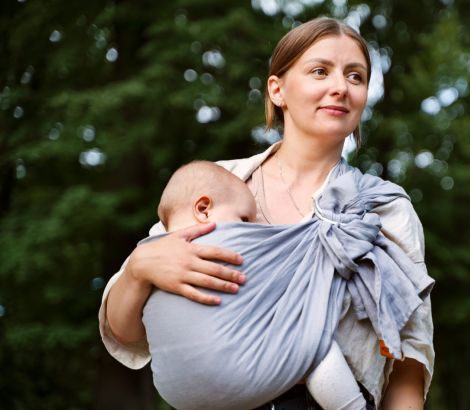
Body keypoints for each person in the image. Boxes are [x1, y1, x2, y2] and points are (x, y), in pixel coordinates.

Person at [99, 17, 434, 409]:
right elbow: (126, 331)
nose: (340, 87)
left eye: (355, 77)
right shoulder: (216, 187)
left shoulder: (384, 210)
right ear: (278, 90)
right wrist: (139, 268)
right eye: (319, 71)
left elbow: (409, 359)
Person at [148, 159, 369, 409]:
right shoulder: (226, 245)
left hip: (175, 390)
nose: (252, 228)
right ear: (203, 209)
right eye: (244, 219)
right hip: (236, 374)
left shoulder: (151, 256)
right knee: (312, 340)